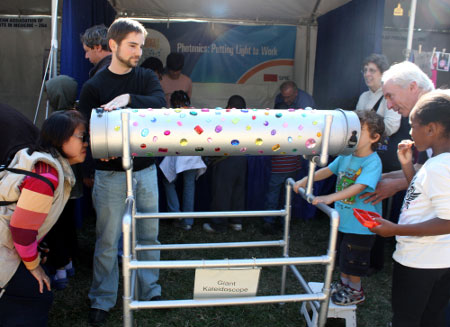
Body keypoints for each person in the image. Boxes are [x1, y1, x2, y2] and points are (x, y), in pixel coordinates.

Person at [78, 18, 166, 325]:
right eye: (132, 45)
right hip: (111, 176)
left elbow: (160, 105)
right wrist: (95, 159)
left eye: (141, 46)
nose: (138, 52)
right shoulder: (94, 86)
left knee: (149, 235)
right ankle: (102, 299)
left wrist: (129, 100)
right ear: (113, 45)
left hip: (145, 170)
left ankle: (150, 290)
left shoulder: (145, 78)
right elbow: (86, 131)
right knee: (107, 239)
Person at [370, 90, 450, 327]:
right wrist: (407, 165)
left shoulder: (439, 167)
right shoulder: (437, 163)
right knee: (429, 318)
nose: (410, 132)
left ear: (432, 129)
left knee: (407, 319)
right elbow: (422, 193)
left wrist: (394, 229)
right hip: (437, 260)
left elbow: (448, 221)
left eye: (413, 126)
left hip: (421, 262)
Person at [0, 110, 87, 326]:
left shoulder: (49, 164)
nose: (87, 143)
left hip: (8, 245)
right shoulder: (46, 175)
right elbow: (21, 229)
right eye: (81, 136)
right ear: (59, 139)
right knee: (35, 295)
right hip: (4, 249)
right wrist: (33, 266)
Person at [294, 110, 385, 305]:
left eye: (360, 130)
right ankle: (345, 286)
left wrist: (330, 197)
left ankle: (356, 291)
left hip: (361, 225)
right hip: (344, 222)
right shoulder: (347, 155)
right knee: (343, 258)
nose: (353, 134)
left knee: (354, 262)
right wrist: (304, 180)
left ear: (374, 137)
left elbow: (358, 187)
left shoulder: (372, 162)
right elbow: (327, 170)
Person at [360, 61, 434, 206]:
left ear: (412, 87)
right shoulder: (426, 116)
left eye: (390, 96)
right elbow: (421, 168)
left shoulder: (441, 115)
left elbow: (442, 175)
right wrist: (381, 178)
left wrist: (395, 185)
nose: (389, 106)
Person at [43, 75, 82, 289]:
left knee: (55, 227)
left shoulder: (58, 121)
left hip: (59, 183)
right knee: (67, 224)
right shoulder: (76, 117)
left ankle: (60, 270)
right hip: (73, 184)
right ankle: (68, 262)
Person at [262, 81, 316, 234]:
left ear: (295, 94)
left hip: (279, 168)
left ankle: (269, 221)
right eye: (283, 98)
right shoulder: (295, 129)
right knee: (288, 196)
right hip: (293, 167)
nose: (285, 100)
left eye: (288, 98)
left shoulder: (306, 103)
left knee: (273, 195)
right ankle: (284, 222)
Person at [159, 91, 206, 230]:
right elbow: (201, 133)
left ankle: (175, 214)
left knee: (168, 181)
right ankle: (188, 222)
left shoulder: (172, 115)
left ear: (172, 103)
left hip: (177, 154)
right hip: (192, 155)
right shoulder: (196, 114)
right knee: (189, 186)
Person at [203, 95, 248, 233]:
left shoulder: (223, 120)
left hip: (225, 160)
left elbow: (213, 142)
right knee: (238, 192)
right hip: (242, 159)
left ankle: (218, 225)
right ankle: (236, 222)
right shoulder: (247, 120)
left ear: (228, 107)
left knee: (222, 193)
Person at [356, 53, 401, 137]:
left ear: (383, 74)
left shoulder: (390, 96)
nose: (366, 74)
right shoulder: (363, 97)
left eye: (372, 70)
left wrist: (366, 129)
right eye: (365, 70)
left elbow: (391, 126)